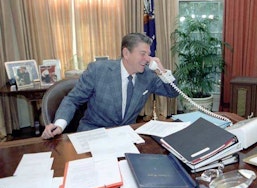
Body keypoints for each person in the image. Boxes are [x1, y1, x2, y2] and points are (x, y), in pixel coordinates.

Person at [42, 33, 179, 139]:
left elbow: (173, 92)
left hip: (125, 136)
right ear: (126, 53)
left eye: (148, 55)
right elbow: (73, 100)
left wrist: (162, 71)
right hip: (94, 134)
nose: (147, 59)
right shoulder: (98, 70)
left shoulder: (148, 75)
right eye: (142, 54)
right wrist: (59, 125)